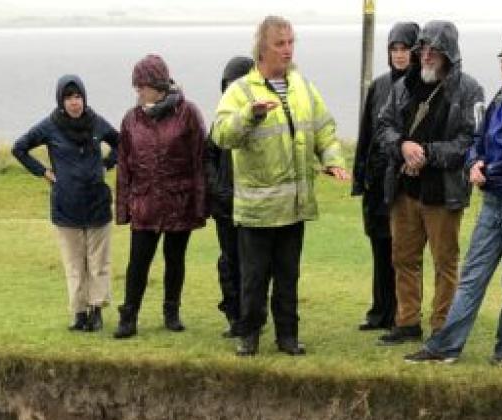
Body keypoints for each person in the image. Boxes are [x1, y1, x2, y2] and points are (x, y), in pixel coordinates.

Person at [404, 31, 502, 367]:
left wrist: (487, 170)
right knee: (473, 274)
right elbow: (480, 135)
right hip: (493, 199)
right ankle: (446, 346)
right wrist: (474, 161)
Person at [212, 16, 350, 357]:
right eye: (280, 43)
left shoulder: (302, 86)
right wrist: (249, 115)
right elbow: (220, 134)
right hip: (258, 209)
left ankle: (288, 337)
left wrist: (333, 160)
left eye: (291, 42)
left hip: (294, 205)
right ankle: (249, 336)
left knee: (288, 276)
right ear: (262, 48)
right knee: (254, 279)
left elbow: (324, 128)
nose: (287, 50)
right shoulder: (241, 90)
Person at [375, 21, 486, 347]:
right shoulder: (404, 87)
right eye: (423, 48)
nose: (427, 55)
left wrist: (429, 154)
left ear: (449, 53)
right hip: (405, 190)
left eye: (434, 50)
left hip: (444, 193)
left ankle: (442, 326)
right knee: (403, 259)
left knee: (445, 262)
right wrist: (402, 147)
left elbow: (472, 139)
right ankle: (407, 322)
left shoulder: (470, 90)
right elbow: (383, 126)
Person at [12, 75, 119, 332]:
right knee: (74, 263)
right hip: (66, 205)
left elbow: (122, 143)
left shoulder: (96, 123)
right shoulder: (50, 126)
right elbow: (19, 148)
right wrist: (45, 173)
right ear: (61, 101)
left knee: (98, 262)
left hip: (97, 203)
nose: (75, 103)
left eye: (78, 97)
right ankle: (79, 312)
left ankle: (96, 311)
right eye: (69, 98)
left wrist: (106, 164)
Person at [114, 54, 207, 339]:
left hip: (180, 201)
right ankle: (128, 317)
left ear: (157, 84)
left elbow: (199, 160)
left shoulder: (188, 113)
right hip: (144, 204)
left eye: (141, 85)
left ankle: (171, 312)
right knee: (138, 263)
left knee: (174, 259)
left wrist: (201, 205)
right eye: (136, 86)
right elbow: (124, 166)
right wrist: (123, 209)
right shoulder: (131, 119)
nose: (137, 91)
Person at [351, 21, 418, 333]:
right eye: (395, 48)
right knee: (379, 245)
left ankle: (401, 314)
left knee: (400, 250)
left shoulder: (421, 87)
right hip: (376, 180)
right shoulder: (378, 86)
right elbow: (367, 133)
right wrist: (359, 176)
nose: (400, 54)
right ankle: (380, 310)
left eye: (405, 48)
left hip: (403, 180)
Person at [206, 56, 255, 337]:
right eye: (228, 84)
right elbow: (208, 156)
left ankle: (252, 315)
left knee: (254, 265)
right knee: (229, 261)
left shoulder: (260, 118)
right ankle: (234, 315)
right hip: (225, 206)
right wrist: (218, 189)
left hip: (253, 205)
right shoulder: (219, 122)